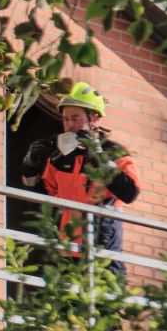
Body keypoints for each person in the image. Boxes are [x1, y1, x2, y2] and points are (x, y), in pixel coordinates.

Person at [19, 81, 141, 272]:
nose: (69, 125)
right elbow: (37, 198)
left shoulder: (115, 153)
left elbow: (130, 192)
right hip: (67, 253)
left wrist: (98, 155)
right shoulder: (60, 157)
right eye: (66, 119)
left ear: (94, 118)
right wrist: (31, 164)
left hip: (104, 254)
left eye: (75, 118)